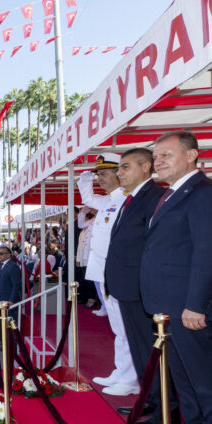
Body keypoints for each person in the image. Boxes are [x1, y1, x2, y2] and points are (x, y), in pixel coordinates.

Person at [142, 130, 212, 424]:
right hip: (168, 306)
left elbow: (208, 254)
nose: (159, 161)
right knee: (184, 377)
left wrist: (197, 305)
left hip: (190, 307)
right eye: (156, 156)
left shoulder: (206, 193)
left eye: (167, 154)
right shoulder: (169, 195)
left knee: (206, 379)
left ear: (193, 156)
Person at [105, 148, 171, 422]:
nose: (119, 172)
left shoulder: (155, 197)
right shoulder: (131, 199)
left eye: (125, 167)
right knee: (141, 350)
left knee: (150, 350)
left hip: (141, 290)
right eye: (119, 168)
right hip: (127, 288)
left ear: (146, 167)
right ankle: (152, 400)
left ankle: (165, 407)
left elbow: (153, 248)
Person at [78, 154, 138, 396]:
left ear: (119, 172)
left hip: (116, 273)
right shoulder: (109, 201)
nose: (100, 178)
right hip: (103, 272)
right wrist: (85, 180)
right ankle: (122, 370)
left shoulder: (126, 200)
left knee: (125, 327)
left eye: (103, 173)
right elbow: (88, 198)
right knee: (117, 327)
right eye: (98, 174)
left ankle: (131, 379)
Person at [0, 246, 21, 317]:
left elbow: (16, 285)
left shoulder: (13, 266)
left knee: (10, 324)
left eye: (1, 254)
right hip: (1, 299)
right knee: (2, 324)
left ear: (9, 255)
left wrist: (11, 300)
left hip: (8, 301)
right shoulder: (0, 264)